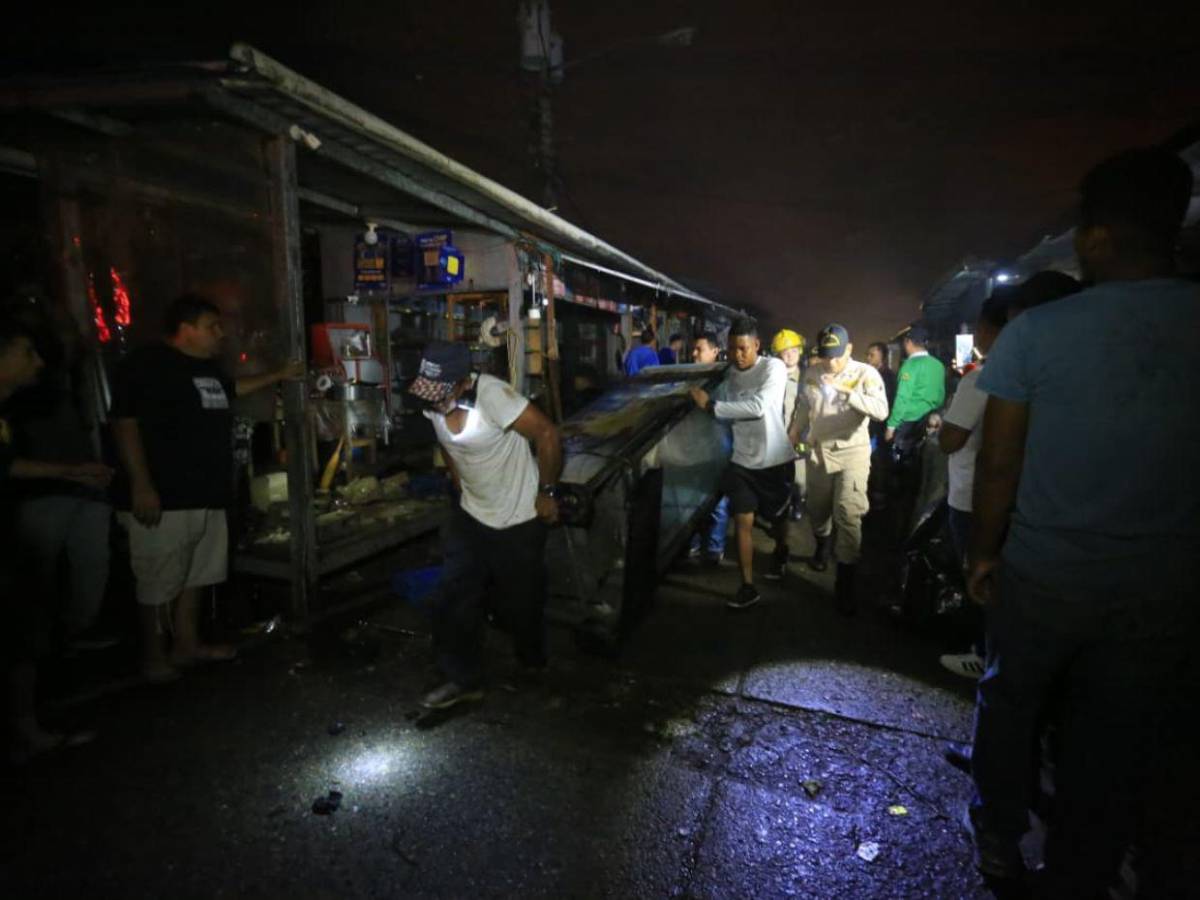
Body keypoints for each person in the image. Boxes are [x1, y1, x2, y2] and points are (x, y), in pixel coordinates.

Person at [965, 148, 1198, 892]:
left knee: (1010, 702)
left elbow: (1000, 464)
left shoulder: (1040, 333)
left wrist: (982, 552)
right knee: (1112, 731)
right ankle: (1082, 867)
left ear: (1095, 237)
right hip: (1163, 585)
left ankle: (1000, 834)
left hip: (1045, 572)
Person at [111, 294, 300, 683]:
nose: (220, 334)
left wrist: (280, 374)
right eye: (212, 327)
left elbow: (233, 390)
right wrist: (142, 485)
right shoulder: (147, 365)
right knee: (157, 579)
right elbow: (125, 424)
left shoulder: (207, 369)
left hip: (207, 491)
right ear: (186, 329)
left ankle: (187, 644)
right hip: (165, 494)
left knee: (198, 574)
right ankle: (153, 656)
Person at [413, 341, 563, 710]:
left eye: (441, 392)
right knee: (454, 595)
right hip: (473, 514)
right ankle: (462, 678)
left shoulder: (494, 395)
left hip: (518, 516)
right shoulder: (431, 405)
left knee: (522, 604)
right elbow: (448, 445)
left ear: (464, 382)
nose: (434, 401)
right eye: (428, 393)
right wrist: (458, 481)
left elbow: (548, 434)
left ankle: (532, 669)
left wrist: (546, 492)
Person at [2, 315, 111, 762]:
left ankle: (25, 729)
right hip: (29, 514)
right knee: (19, 628)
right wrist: (71, 471)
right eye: (28, 352)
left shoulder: (35, 397)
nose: (38, 361)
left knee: (23, 626)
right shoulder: (28, 405)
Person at [8, 302, 115, 651]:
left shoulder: (69, 385)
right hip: (41, 494)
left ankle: (74, 632)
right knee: (36, 577)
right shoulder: (22, 397)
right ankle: (35, 652)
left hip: (82, 487)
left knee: (91, 563)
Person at [689, 318, 794, 610]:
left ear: (757, 345)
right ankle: (747, 586)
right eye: (733, 349)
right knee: (742, 522)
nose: (738, 355)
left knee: (778, 521)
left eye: (744, 349)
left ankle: (782, 548)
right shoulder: (728, 374)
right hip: (742, 461)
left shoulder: (773, 368)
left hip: (774, 460)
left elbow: (760, 406)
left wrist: (711, 406)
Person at [791, 323, 889, 615]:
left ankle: (845, 584)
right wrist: (795, 430)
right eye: (825, 356)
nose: (830, 362)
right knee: (818, 510)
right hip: (819, 454)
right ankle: (822, 545)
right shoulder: (812, 372)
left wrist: (849, 393)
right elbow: (805, 407)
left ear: (848, 349)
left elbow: (881, 410)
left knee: (848, 515)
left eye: (835, 355)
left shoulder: (865, 374)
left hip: (852, 455)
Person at [687, 331, 729, 564]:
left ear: (714, 351)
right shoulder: (690, 375)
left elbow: (725, 412)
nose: (694, 353)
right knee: (691, 498)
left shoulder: (723, 378)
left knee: (717, 500)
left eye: (699, 349)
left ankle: (714, 548)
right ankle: (690, 543)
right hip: (692, 446)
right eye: (693, 349)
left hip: (715, 447)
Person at [885, 325, 945, 444]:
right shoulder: (938, 365)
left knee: (900, 458)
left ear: (909, 342)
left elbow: (902, 397)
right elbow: (941, 395)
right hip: (931, 421)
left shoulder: (909, 365)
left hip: (909, 424)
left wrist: (891, 426)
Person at [771, 328, 808, 522]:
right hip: (775, 436)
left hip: (798, 436)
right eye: (785, 351)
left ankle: (798, 502)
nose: (790, 354)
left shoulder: (806, 378)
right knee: (777, 476)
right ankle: (781, 505)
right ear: (778, 354)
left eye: (793, 350)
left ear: (800, 351)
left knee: (800, 479)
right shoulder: (771, 377)